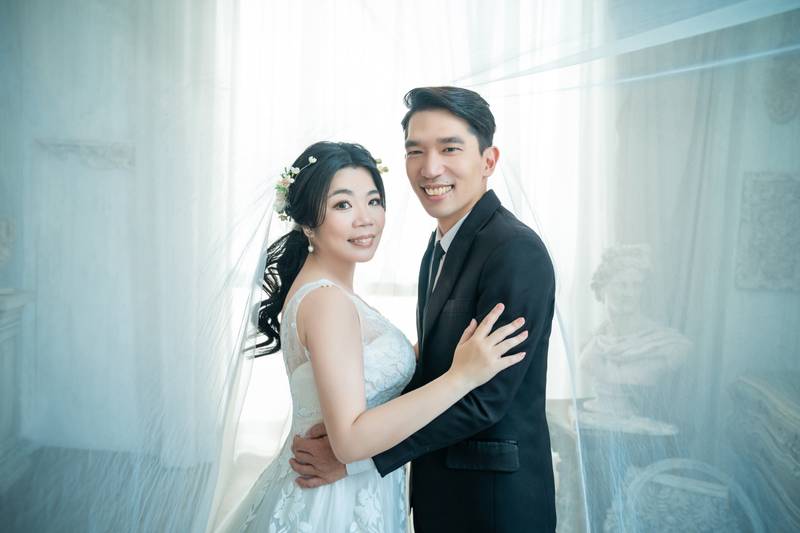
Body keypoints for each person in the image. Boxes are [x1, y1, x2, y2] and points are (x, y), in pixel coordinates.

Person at [216, 141, 528, 533]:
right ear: (307, 221)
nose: (365, 219)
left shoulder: (326, 291)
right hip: (333, 504)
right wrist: (460, 377)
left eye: (374, 201)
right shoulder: (328, 302)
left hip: (349, 490)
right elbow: (348, 443)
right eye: (343, 205)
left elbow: (365, 376)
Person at [291, 88, 557, 532]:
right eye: (416, 151)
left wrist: (354, 458)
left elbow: (485, 398)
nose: (430, 168)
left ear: (488, 160)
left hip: (492, 505)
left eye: (449, 149)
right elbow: (435, 369)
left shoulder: (514, 251)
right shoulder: (437, 248)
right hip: (437, 492)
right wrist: (351, 436)